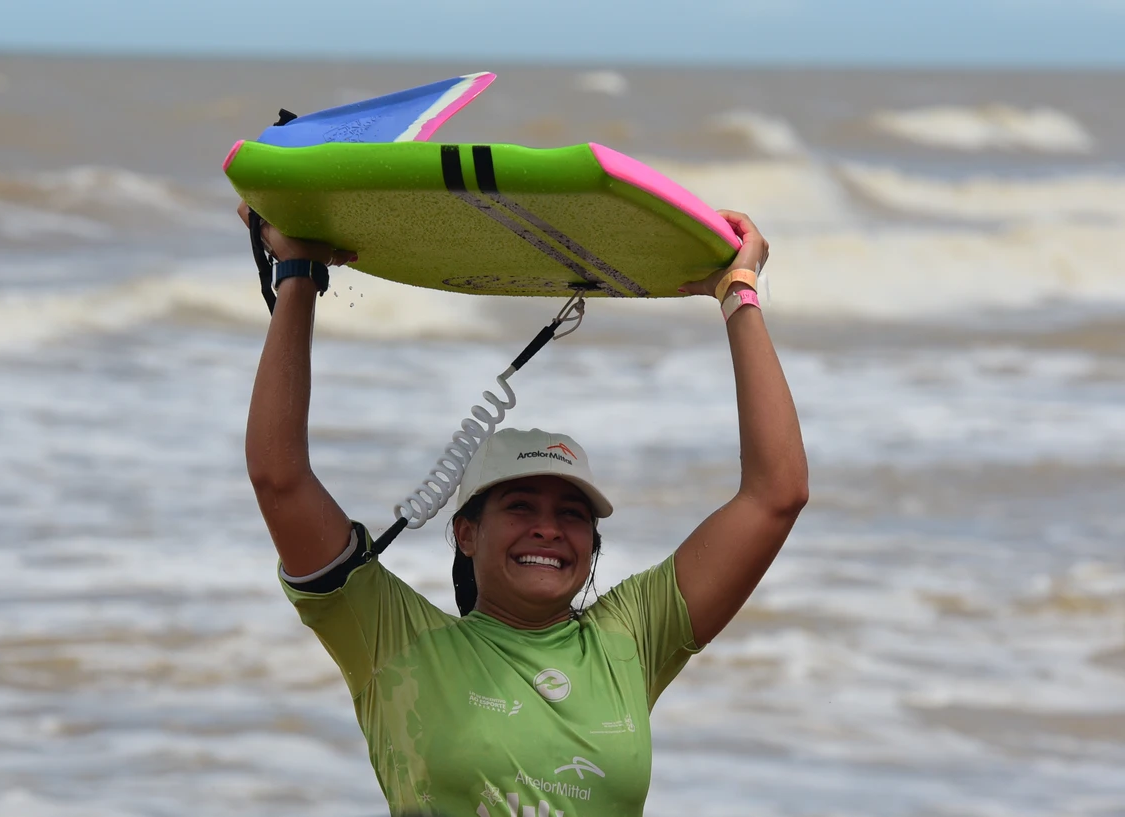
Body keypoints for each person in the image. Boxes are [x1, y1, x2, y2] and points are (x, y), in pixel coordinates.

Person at [240, 201, 808, 816]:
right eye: (519, 504)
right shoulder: (390, 640)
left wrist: (738, 293)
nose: (549, 528)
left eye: (573, 514)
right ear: (465, 533)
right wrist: (296, 275)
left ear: (592, 542)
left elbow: (777, 494)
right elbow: (280, 478)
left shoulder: (632, 638)